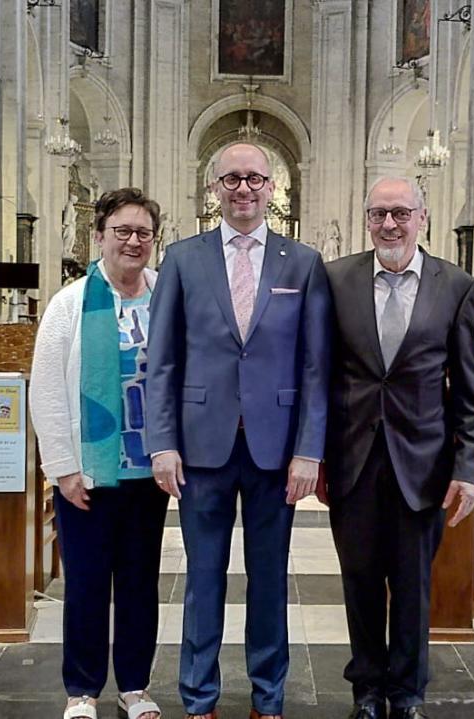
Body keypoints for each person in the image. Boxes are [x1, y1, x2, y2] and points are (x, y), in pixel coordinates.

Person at [146, 142, 331, 719]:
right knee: (203, 580)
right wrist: (162, 442)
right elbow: (163, 360)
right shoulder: (182, 258)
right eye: (231, 179)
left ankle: (267, 698)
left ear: (272, 187)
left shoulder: (302, 262)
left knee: (269, 580)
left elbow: (314, 364)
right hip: (202, 445)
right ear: (215, 187)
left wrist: (309, 450)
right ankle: (199, 699)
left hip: (277, 451)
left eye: (254, 178)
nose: (243, 189)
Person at [321, 176, 474, 719]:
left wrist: (470, 467)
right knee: (361, 581)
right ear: (365, 218)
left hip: (424, 462)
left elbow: (467, 389)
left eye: (400, 213)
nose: (388, 224)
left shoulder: (455, 285)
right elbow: (319, 375)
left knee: (414, 587)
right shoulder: (336, 279)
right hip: (354, 459)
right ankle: (367, 690)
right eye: (377, 214)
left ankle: (409, 693)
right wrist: (315, 456)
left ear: (422, 217)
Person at [30, 187, 169, 719]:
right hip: (87, 472)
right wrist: (63, 469)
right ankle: (82, 690)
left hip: (147, 469)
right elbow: (45, 390)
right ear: (100, 237)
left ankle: (134, 686)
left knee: (139, 585)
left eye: (143, 233)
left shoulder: (166, 296)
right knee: (87, 584)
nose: (133, 242)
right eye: (123, 232)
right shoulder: (69, 304)